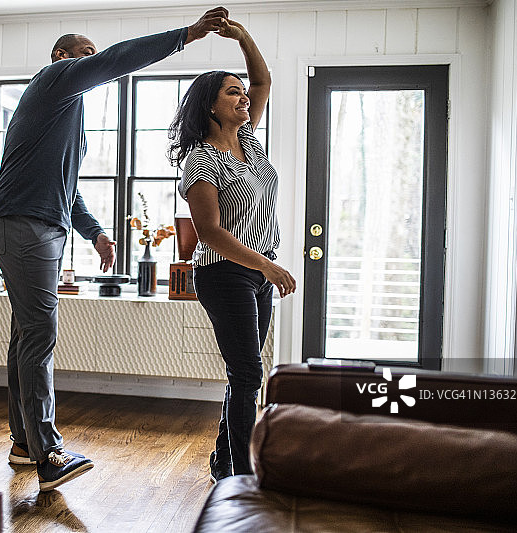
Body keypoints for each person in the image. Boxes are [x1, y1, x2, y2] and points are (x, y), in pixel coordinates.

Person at [0, 6, 232, 492]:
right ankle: (49, 453)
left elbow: (65, 187)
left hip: (35, 224)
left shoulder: (65, 115)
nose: (92, 60)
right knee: (39, 335)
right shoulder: (53, 80)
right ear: (61, 57)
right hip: (24, 223)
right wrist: (187, 34)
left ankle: (24, 443)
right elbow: (118, 58)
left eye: (91, 55)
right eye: (84, 53)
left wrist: (94, 232)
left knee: (26, 335)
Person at [169, 19, 296, 483]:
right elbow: (209, 233)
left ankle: (224, 462)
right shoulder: (200, 159)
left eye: (243, 93)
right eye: (232, 93)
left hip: (257, 272)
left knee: (244, 374)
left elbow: (263, 81)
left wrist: (242, 37)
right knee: (247, 373)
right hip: (224, 273)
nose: (244, 98)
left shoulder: (248, 141)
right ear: (211, 106)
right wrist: (268, 266)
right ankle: (244, 476)